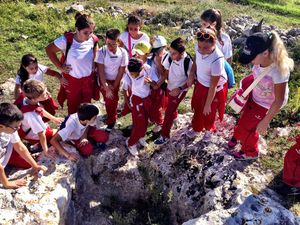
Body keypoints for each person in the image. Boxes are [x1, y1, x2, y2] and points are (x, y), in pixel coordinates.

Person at [227, 31, 294, 160]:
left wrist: (266, 120)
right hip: (255, 96)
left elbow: (279, 100)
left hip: (266, 105)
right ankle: (238, 135)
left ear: (265, 53)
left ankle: (250, 152)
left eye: (252, 58)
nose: (251, 62)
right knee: (244, 118)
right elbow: (256, 77)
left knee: (251, 129)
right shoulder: (259, 61)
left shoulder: (278, 71)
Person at [46, 13, 99, 114]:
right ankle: (73, 126)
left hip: (88, 80)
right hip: (73, 81)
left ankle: (85, 126)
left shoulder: (93, 39)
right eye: (85, 32)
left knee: (86, 105)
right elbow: (49, 50)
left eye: (91, 32)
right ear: (77, 29)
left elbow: (95, 45)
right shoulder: (66, 40)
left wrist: (94, 61)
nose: (89, 36)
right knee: (73, 106)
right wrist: (60, 67)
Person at [186, 28, 228, 142]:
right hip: (201, 83)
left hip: (214, 88)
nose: (201, 50)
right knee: (198, 107)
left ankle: (209, 130)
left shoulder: (217, 59)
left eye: (205, 48)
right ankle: (197, 127)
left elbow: (213, 85)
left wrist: (208, 104)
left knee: (209, 111)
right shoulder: (199, 48)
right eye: (199, 47)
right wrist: (191, 74)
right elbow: (196, 59)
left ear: (214, 43)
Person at [14, 80, 63, 165]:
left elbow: (39, 109)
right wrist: (46, 150)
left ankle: (38, 144)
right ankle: (39, 145)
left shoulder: (25, 98)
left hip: (25, 128)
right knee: (60, 134)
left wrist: (54, 119)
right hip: (31, 133)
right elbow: (41, 134)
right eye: (44, 94)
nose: (47, 94)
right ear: (34, 99)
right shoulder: (32, 115)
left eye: (46, 90)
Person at [154, 37, 193, 145]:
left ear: (182, 52)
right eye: (170, 52)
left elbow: (191, 81)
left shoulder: (188, 62)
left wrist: (180, 89)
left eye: (174, 53)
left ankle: (164, 135)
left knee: (168, 112)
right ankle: (175, 118)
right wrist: (159, 84)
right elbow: (166, 72)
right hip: (170, 86)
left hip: (180, 90)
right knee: (170, 107)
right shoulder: (169, 57)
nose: (171, 55)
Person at [0, 103, 46, 189]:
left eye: (19, 125)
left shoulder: (10, 128)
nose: (18, 128)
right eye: (15, 127)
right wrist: (6, 183)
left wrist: (35, 165)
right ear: (1, 126)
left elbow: (20, 147)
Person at [122, 58, 158, 155]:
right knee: (139, 124)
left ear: (141, 68)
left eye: (135, 74)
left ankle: (141, 137)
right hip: (136, 99)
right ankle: (131, 143)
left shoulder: (147, 69)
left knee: (146, 120)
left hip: (146, 98)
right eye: (131, 73)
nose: (133, 75)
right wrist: (127, 102)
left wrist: (150, 82)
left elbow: (155, 84)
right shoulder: (128, 72)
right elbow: (124, 88)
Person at [95, 28, 128, 132]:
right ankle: (111, 121)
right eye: (108, 43)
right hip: (104, 80)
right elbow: (100, 71)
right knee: (110, 99)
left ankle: (112, 117)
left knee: (113, 99)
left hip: (116, 80)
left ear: (118, 42)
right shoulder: (102, 51)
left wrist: (114, 86)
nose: (109, 46)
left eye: (113, 44)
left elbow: (121, 70)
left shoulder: (123, 52)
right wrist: (106, 87)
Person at [200, 9, 235, 89]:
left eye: (204, 24)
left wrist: (225, 74)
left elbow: (228, 57)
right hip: (204, 75)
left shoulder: (224, 38)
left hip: (218, 76)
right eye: (201, 24)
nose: (202, 27)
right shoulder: (203, 35)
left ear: (214, 24)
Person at [148, 35, 169, 133]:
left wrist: (158, 84)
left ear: (164, 47)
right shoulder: (155, 56)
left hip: (161, 84)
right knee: (154, 103)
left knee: (159, 104)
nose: (156, 52)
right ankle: (154, 119)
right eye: (155, 50)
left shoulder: (167, 57)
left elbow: (164, 74)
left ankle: (160, 123)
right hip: (155, 83)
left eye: (158, 50)